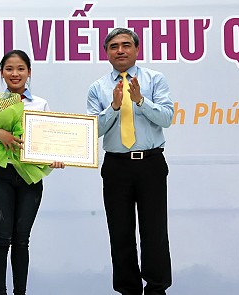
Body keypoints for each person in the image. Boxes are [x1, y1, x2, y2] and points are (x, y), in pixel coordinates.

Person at [0, 49, 65, 295]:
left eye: (21, 68)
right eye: (9, 69)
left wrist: (57, 158)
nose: (15, 73)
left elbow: (50, 139)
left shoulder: (40, 103)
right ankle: (0, 292)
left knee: (22, 240)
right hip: (1, 175)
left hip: (30, 177)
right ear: (1, 73)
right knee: (1, 239)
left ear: (29, 73)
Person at [87, 28, 174, 295]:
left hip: (150, 164)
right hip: (116, 166)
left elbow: (166, 118)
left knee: (154, 231)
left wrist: (140, 101)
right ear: (107, 53)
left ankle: (157, 289)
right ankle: (128, 290)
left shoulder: (155, 79)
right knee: (120, 232)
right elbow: (93, 130)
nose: (120, 50)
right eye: (114, 46)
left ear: (137, 50)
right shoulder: (98, 87)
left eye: (126, 45)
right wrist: (113, 107)